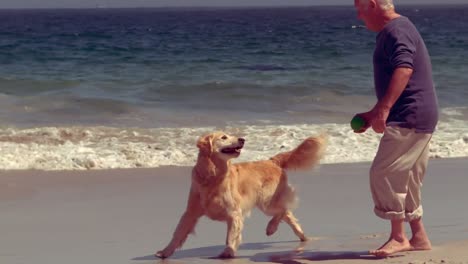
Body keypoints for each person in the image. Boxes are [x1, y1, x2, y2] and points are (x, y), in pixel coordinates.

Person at [353, 0, 439, 257]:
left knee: (383, 174)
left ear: (372, 4)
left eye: (359, 7)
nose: (357, 13)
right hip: (420, 113)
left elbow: (404, 69)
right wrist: (375, 112)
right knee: (408, 176)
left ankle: (398, 236)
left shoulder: (395, 30)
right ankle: (419, 236)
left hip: (409, 115)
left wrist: (385, 109)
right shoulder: (398, 28)